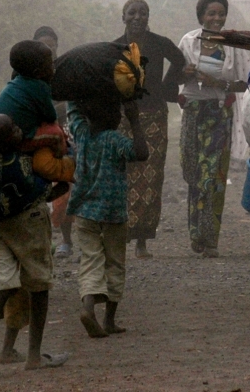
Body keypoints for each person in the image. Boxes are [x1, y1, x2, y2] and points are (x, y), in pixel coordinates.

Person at [0, 114, 70, 378]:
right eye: (13, 130)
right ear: (7, 142)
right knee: (38, 282)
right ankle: (34, 356)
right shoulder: (17, 165)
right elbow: (43, 191)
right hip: (25, 223)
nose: (19, 129)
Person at [176, 0, 250, 258]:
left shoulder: (232, 46)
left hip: (219, 115)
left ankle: (211, 240)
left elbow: (245, 83)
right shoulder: (188, 41)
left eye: (221, 13)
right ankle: (196, 234)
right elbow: (175, 76)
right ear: (201, 16)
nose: (217, 18)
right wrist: (185, 75)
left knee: (213, 177)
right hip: (192, 114)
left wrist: (217, 84)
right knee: (193, 173)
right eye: (211, 13)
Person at [67, 97, 148, 337]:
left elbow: (73, 110)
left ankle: (88, 307)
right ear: (116, 117)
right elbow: (141, 153)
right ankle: (109, 320)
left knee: (90, 260)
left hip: (84, 212)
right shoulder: (114, 139)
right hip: (113, 213)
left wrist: (79, 94)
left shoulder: (81, 133)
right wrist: (134, 121)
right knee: (115, 262)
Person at [114, 0, 186, 259]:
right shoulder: (115, 47)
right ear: (123, 17)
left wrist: (167, 88)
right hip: (124, 117)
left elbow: (180, 61)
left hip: (155, 116)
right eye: (132, 13)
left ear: (148, 17)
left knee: (151, 177)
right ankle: (121, 235)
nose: (137, 17)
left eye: (143, 13)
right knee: (125, 175)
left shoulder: (160, 43)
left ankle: (142, 240)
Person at [33, 26, 76, 258]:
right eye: (43, 46)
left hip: (67, 135)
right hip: (39, 140)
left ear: (58, 46)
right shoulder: (29, 76)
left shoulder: (66, 72)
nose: (49, 50)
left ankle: (68, 241)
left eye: (52, 45)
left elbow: (72, 102)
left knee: (66, 190)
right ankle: (48, 240)